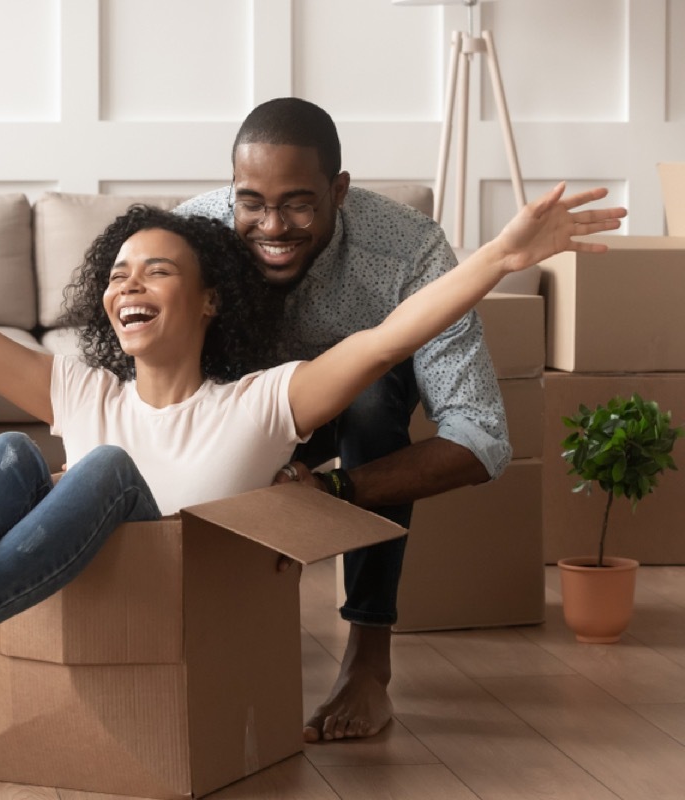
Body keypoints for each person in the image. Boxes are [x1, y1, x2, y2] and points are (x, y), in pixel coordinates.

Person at [0, 148, 624, 700]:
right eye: (118, 274)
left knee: (102, 472)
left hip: (182, 606)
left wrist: (502, 255)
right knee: (16, 449)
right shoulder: (86, 392)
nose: (128, 285)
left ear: (208, 302)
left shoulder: (262, 402)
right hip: (83, 591)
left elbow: (393, 337)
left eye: (155, 272)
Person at [173, 96, 537, 742]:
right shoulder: (193, 236)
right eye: (250, 201)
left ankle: (370, 660)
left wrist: (336, 490)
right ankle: (206, 643)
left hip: (352, 425)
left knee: (371, 400)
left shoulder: (409, 250)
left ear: (338, 190)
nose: (271, 226)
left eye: (297, 204)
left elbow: (482, 438)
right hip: (237, 413)